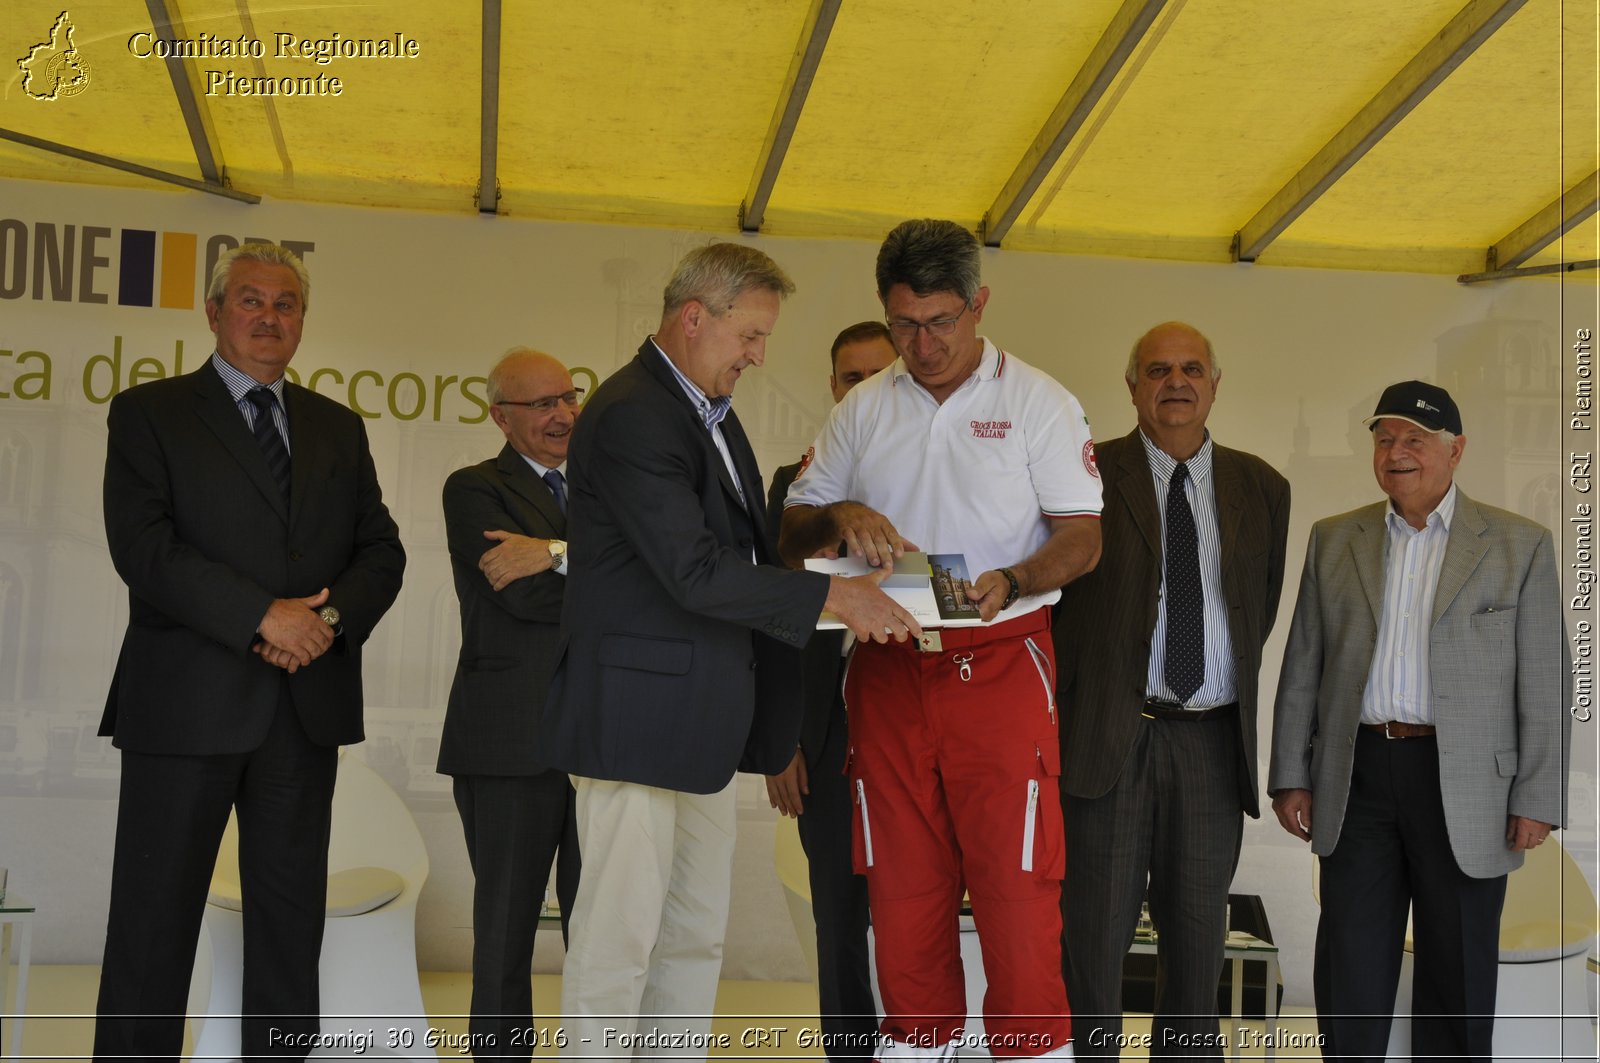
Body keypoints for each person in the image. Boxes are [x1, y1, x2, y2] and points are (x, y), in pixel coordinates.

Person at [542, 242, 917, 1059]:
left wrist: (834, 544)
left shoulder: (707, 413)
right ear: (692, 318)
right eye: (748, 335)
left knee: (690, 943)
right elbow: (693, 570)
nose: (757, 354)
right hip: (635, 727)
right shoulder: (636, 411)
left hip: (702, 727)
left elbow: (751, 548)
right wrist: (834, 596)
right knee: (617, 948)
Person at [781, 219, 1102, 1061]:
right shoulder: (862, 406)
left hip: (1001, 659)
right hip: (888, 667)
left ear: (979, 303)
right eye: (903, 324)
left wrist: (1020, 579)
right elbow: (792, 529)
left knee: (1016, 883)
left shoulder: (1038, 399)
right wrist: (839, 515)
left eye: (940, 322)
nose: (921, 344)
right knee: (901, 888)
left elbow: (1084, 535)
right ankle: (918, 1044)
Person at [94, 243, 406, 1058]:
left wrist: (325, 621)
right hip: (185, 706)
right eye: (250, 301)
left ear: (303, 319)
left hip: (302, 711)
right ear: (213, 312)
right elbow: (144, 549)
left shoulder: (339, 427)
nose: (269, 317)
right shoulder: (149, 413)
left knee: (288, 925)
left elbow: (382, 552)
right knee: (153, 921)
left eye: (286, 304)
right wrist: (264, 615)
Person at [1268, 380, 1571, 1062]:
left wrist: (1538, 796)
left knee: (1458, 966)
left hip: (1469, 784)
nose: (1396, 453)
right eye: (1384, 439)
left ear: (1455, 450)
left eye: (1415, 439)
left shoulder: (1520, 545)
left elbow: (1547, 678)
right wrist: (1292, 773)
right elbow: (1303, 666)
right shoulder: (1333, 538)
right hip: (1359, 774)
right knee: (1350, 959)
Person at [1054, 322, 1289, 1057]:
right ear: (1132, 387)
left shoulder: (1264, 486)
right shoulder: (1084, 476)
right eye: (1157, 369)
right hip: (1108, 743)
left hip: (1211, 742)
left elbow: (1258, 607)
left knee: (1196, 952)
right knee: (1092, 945)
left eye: (1192, 368)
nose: (1175, 381)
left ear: (1216, 383)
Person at [438, 348, 584, 1060]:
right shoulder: (473, 489)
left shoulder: (608, 489)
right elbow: (520, 593)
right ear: (501, 415)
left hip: (601, 738)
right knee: (504, 929)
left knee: (603, 927)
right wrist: (593, 569)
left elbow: (650, 577)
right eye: (543, 404)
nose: (563, 415)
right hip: (507, 738)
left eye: (569, 397)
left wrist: (554, 550)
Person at [764, 321, 898, 1063]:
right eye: (853, 377)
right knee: (840, 921)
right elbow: (771, 617)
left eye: (883, 375)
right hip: (822, 732)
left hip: (918, 719)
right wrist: (778, 737)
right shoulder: (792, 487)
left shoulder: (940, 476)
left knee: (920, 915)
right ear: (834, 387)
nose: (867, 390)